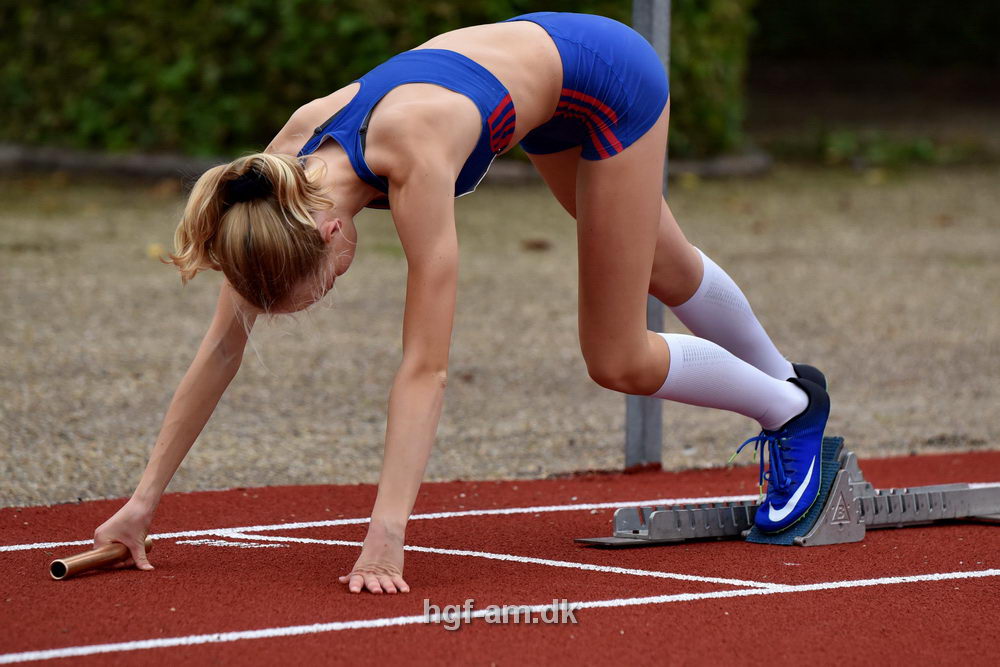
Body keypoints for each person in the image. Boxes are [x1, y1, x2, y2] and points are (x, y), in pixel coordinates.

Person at [93, 12, 830, 594]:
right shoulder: (269, 192)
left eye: (323, 286)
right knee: (665, 266)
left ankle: (790, 409)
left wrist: (386, 533)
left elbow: (425, 368)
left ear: (331, 232)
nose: (329, 292)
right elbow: (223, 346)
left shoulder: (414, 157)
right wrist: (142, 502)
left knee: (617, 357)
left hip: (609, 83)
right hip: (550, 87)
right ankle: (788, 380)